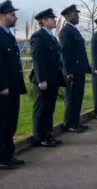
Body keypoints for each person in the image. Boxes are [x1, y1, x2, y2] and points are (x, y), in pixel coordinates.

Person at [0, 0, 27, 169]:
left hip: (12, 88)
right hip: (0, 90)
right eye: (12, 15)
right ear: (2, 16)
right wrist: (1, 86)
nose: (15, 17)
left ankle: (8, 154)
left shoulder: (8, 36)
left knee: (10, 123)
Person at [29, 8, 65, 147]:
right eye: (51, 18)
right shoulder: (38, 36)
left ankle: (48, 134)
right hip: (44, 80)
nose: (55, 20)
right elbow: (38, 60)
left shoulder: (52, 37)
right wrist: (41, 79)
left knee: (49, 108)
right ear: (43, 21)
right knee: (41, 108)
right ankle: (40, 137)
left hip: (53, 78)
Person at [59, 5, 90, 133]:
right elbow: (64, 53)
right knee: (71, 98)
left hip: (79, 70)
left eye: (77, 14)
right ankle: (69, 123)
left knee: (77, 97)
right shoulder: (65, 31)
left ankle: (76, 122)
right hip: (72, 71)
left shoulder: (74, 30)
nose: (77, 16)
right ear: (67, 16)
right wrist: (68, 71)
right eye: (74, 14)